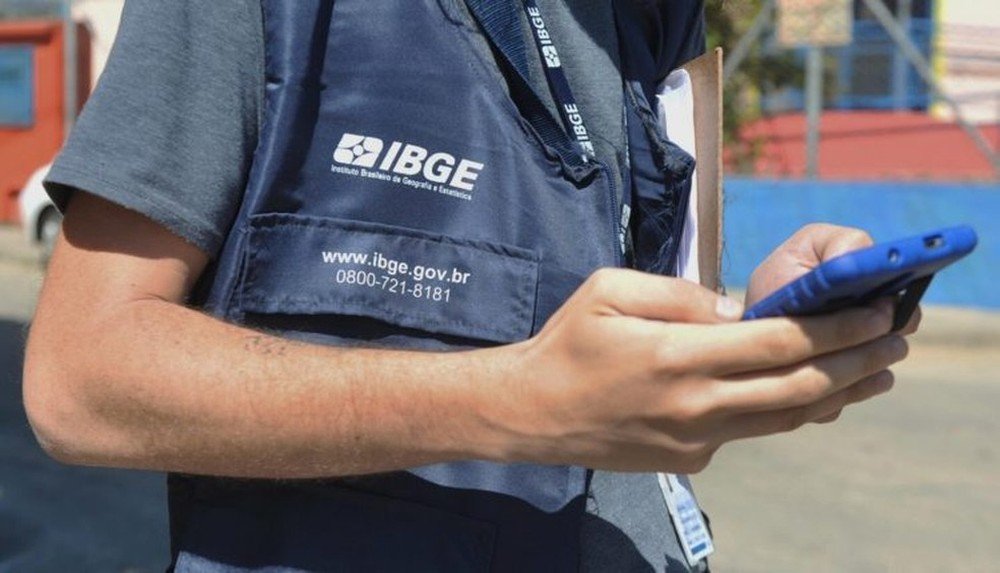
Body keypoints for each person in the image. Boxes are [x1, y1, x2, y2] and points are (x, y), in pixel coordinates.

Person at [23, 1, 917, 571]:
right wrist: (513, 402)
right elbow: (80, 380)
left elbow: (613, 337)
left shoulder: (649, 21)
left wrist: (746, 327)